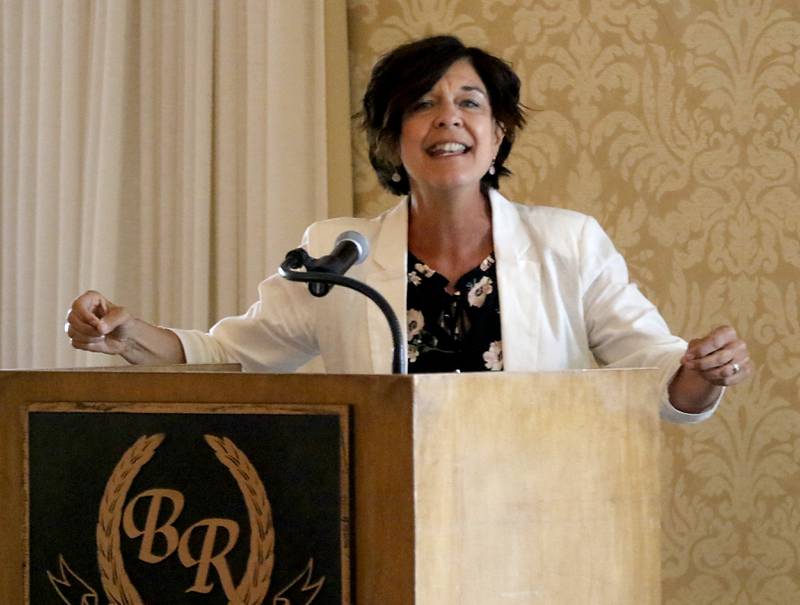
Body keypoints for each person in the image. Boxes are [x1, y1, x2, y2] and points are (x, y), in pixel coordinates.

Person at [66, 35, 751, 423]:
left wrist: (703, 373)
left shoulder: (568, 244)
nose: (447, 118)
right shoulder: (340, 257)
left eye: (469, 103)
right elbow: (229, 356)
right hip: (390, 520)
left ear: (497, 133)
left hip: (539, 522)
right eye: (422, 104)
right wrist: (127, 334)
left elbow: (661, 377)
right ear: (394, 140)